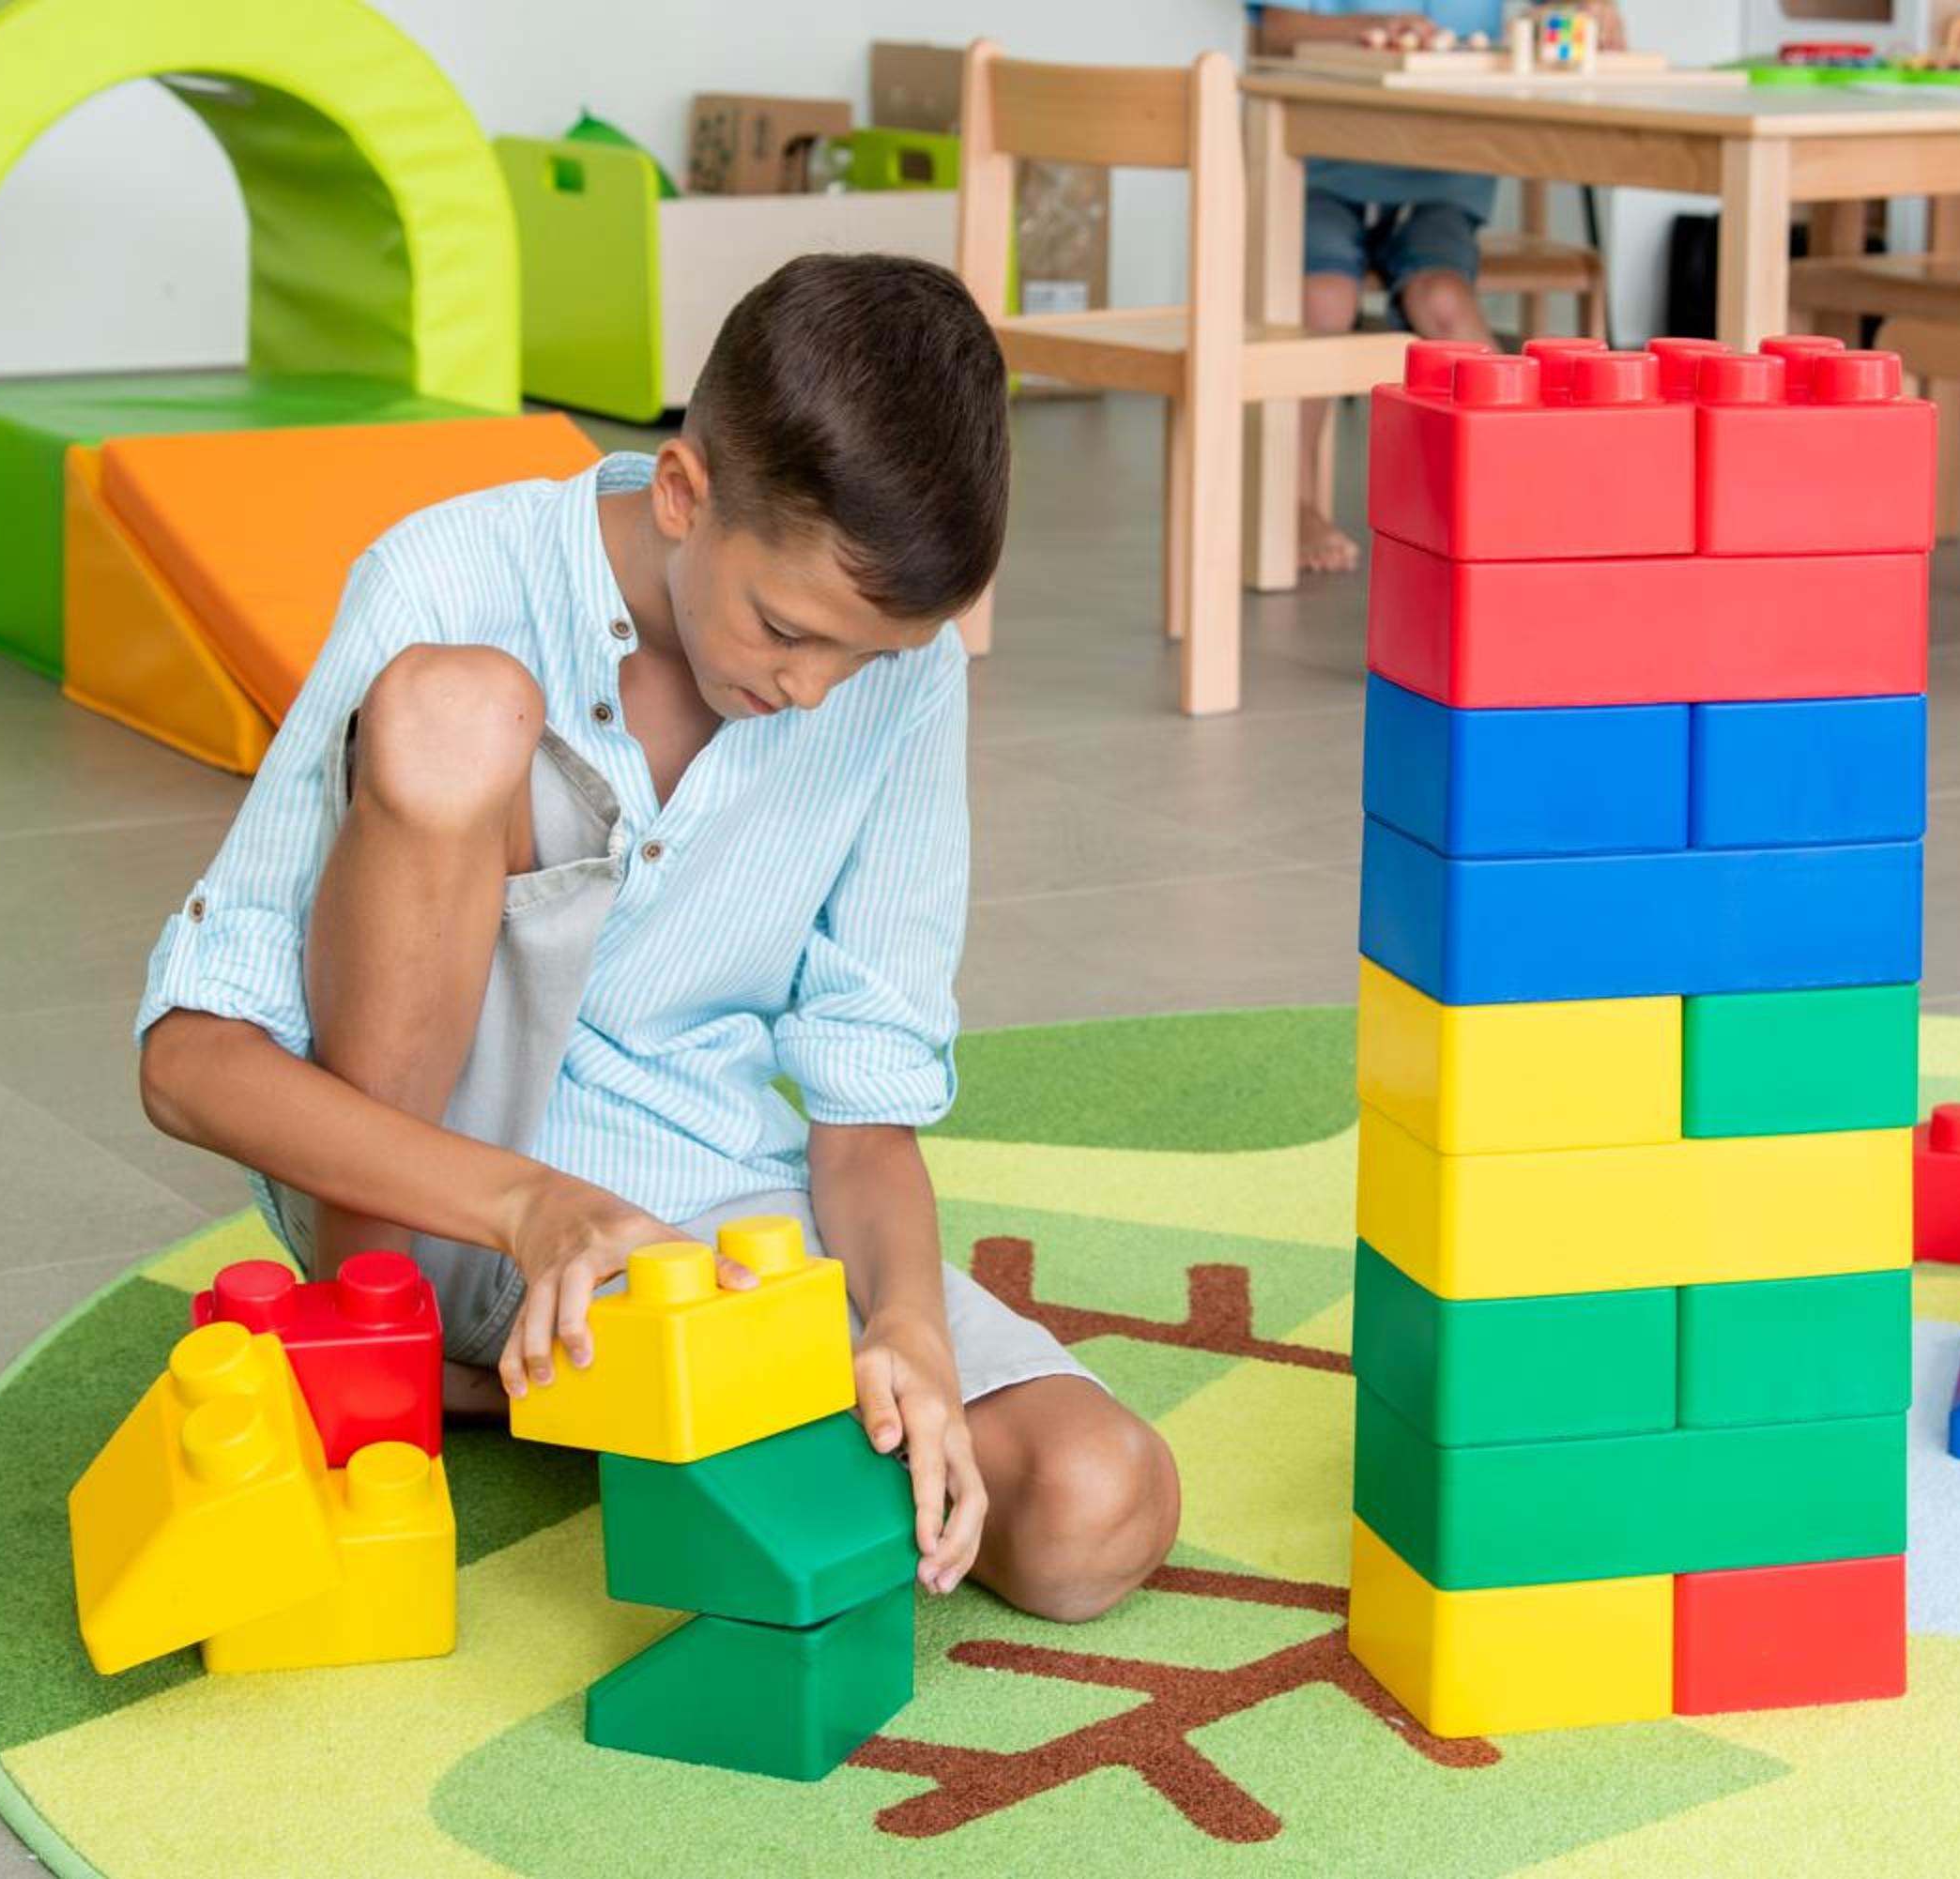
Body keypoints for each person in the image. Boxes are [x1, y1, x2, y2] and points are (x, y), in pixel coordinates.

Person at [134, 253, 1182, 1623]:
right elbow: (189, 1063)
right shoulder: (451, 574)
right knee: (461, 709)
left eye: (865, 656)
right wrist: (525, 1204)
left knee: (1098, 1503)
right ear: (683, 493)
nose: (815, 691)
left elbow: (863, 1115)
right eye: (787, 629)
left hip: (694, 1218)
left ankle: (553, 1395)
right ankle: (405, 1350)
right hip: (421, 1215)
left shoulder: (901, 676)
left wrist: (909, 1326)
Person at [1250, 3, 1622, 572]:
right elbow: (1277, 30)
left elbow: (1572, 17)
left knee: (1444, 298)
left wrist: (1591, 14)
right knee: (1322, 301)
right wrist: (1369, 30)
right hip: (1323, 170)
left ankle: (1530, 487)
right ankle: (1296, 504)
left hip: (1442, 181)